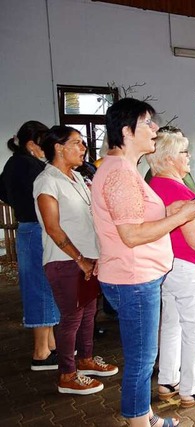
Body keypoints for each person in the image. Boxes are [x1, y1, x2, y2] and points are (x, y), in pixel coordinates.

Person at [92, 98, 195, 427]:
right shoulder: (121, 174)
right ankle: (140, 422)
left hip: (132, 274)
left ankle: (141, 415)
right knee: (142, 360)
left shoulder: (123, 169)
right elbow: (131, 234)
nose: (155, 129)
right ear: (127, 131)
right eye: (147, 123)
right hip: (134, 276)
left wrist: (171, 211)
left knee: (142, 357)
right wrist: (182, 215)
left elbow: (137, 217)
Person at [34, 126, 118, 395]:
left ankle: (86, 359)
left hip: (88, 258)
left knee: (89, 313)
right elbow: (53, 227)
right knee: (71, 317)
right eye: (77, 143)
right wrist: (80, 259)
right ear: (58, 148)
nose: (83, 148)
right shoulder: (47, 181)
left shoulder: (77, 178)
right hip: (65, 260)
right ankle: (67, 374)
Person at [146, 129, 195, 408]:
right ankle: (191, 388)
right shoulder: (178, 189)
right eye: (184, 152)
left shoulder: (154, 184)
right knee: (194, 326)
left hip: (168, 264)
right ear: (169, 159)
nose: (189, 157)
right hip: (190, 264)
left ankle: (168, 380)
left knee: (171, 323)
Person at [0, 120, 59, 371]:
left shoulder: (15, 164)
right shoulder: (30, 166)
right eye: (44, 144)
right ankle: (41, 352)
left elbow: (4, 193)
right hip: (36, 229)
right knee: (41, 288)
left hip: (30, 227)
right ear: (32, 144)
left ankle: (52, 345)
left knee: (43, 286)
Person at [144, 125, 195, 193]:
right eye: (184, 151)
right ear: (170, 158)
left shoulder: (178, 175)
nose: (189, 155)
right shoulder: (163, 182)